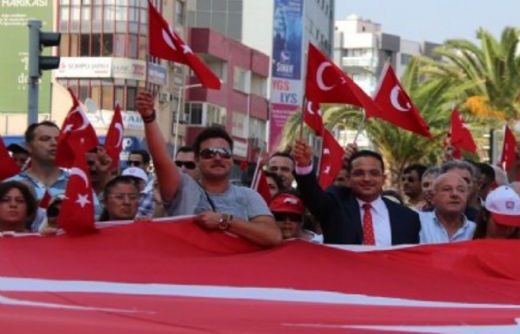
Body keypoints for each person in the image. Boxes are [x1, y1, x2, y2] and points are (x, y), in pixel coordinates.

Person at [136, 91, 281, 248]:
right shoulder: (182, 189)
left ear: (232, 160)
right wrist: (149, 119)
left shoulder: (248, 196)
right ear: (197, 160)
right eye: (209, 153)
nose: (217, 158)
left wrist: (223, 220)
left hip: (233, 270)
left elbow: (272, 236)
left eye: (224, 153)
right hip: (188, 269)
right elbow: (161, 159)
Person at [292, 138, 420, 246]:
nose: (367, 179)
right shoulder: (335, 205)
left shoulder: (407, 217)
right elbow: (313, 197)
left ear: (383, 179)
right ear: (348, 178)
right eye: (359, 173)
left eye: (374, 173)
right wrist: (304, 166)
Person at [6, 121, 67, 201]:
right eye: (45, 139)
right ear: (29, 146)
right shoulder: (9, 186)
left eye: (58, 139)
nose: (54, 143)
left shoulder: (77, 182)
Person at [418, 172, 475, 244]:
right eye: (447, 189)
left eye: (461, 190)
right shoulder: (418, 222)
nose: (455, 194)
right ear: (432, 197)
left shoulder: (475, 231)